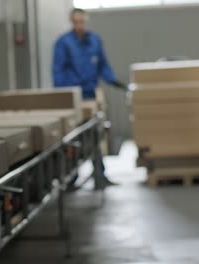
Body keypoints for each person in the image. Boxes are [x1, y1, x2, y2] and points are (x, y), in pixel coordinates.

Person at [53, 8, 125, 189]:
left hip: (91, 96)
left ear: (86, 21)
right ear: (71, 22)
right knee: (74, 138)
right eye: (76, 22)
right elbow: (58, 72)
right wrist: (70, 93)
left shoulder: (94, 40)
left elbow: (103, 65)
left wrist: (113, 80)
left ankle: (100, 176)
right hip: (73, 99)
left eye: (82, 22)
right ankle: (71, 177)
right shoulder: (64, 43)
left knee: (95, 136)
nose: (79, 25)